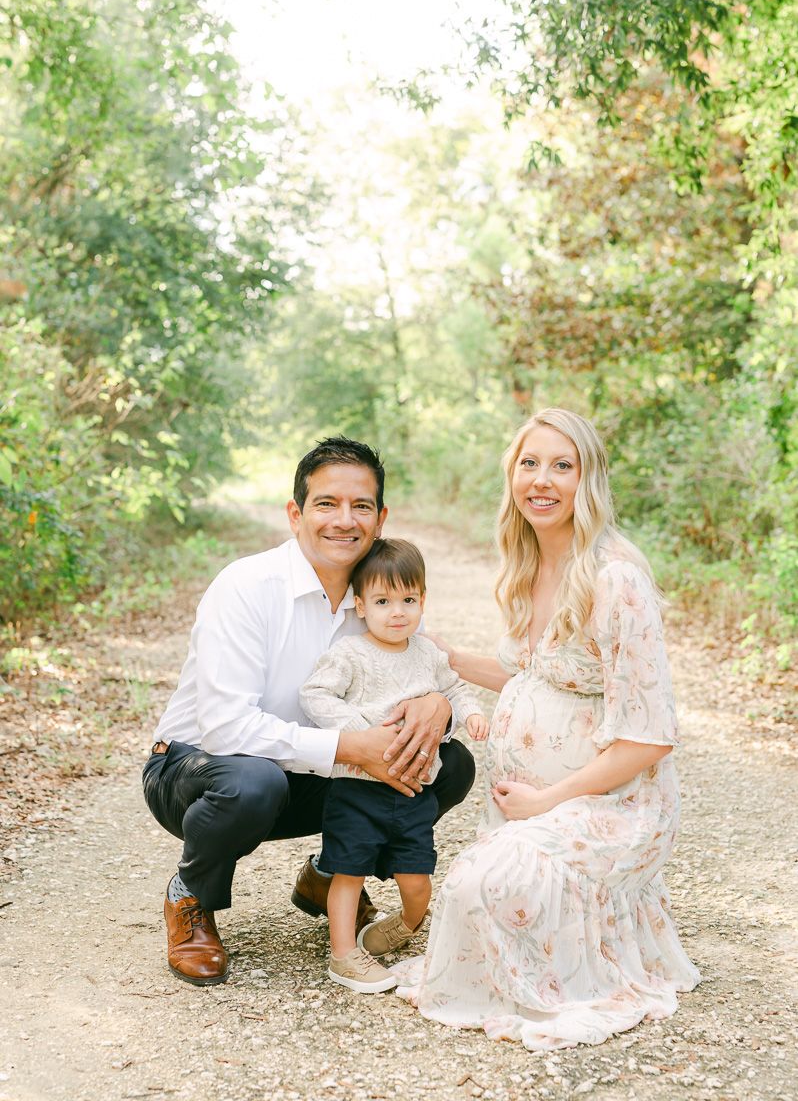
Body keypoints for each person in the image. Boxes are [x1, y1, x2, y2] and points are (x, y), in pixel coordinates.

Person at [392, 408, 700, 1049]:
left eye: (563, 465)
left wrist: (545, 802)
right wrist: (421, 650)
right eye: (530, 463)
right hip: (535, 807)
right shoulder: (529, 562)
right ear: (512, 475)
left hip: (614, 804)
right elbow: (521, 672)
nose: (543, 479)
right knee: (476, 890)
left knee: (484, 886)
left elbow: (650, 739)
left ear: (588, 479)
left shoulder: (615, 577)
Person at [142, 436, 476, 986]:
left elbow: (431, 666)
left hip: (306, 769)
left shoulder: (378, 596)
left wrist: (438, 703)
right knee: (254, 782)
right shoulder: (247, 587)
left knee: (449, 762)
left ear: (380, 517)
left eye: (360, 506)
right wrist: (350, 747)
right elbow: (225, 728)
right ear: (296, 513)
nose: (344, 521)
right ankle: (190, 896)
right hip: (196, 770)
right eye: (326, 504)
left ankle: (328, 876)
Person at [299, 538, 489, 993]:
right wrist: (361, 730)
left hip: (412, 790)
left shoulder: (426, 653)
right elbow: (314, 695)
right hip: (358, 787)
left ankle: (404, 923)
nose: (397, 612)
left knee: (417, 874)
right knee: (347, 872)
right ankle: (344, 954)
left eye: (408, 600)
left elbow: (456, 689)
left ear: (423, 600)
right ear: (361, 605)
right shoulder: (350, 654)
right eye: (383, 601)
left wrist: (472, 712)